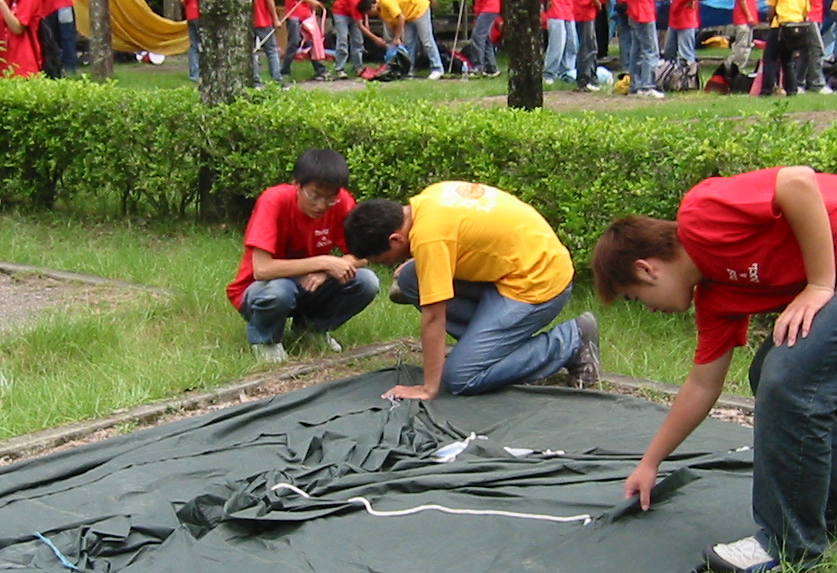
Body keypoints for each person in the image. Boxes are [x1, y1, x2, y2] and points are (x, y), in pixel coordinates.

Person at [591, 167, 837, 573]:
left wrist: (820, 284)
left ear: (647, 269)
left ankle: (789, 544)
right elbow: (702, 385)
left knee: (788, 381)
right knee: (772, 376)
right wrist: (650, 463)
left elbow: (796, 181)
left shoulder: (701, 214)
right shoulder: (717, 298)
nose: (648, 309)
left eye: (635, 297)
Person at [344, 182, 600, 397]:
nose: (388, 265)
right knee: (412, 278)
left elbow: (434, 317)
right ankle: (489, 349)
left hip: (537, 282)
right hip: (516, 265)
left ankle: (571, 340)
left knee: (460, 377)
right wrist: (423, 255)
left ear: (395, 239)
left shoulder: (430, 237)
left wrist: (428, 388)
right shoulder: (426, 201)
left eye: (385, 260)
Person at [226, 148, 378, 364]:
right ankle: (266, 339)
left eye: (330, 198)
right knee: (280, 290)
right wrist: (324, 262)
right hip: (261, 289)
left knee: (366, 281)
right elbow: (262, 270)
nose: (322, 205)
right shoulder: (274, 200)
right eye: (314, 195)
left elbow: (362, 254)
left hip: (309, 285)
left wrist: (325, 272)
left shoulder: (342, 202)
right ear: (297, 184)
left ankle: (311, 329)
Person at [367, 0, 443, 79]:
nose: (370, 16)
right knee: (408, 43)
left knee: (426, 40)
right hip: (407, 15)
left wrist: (397, 38)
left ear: (373, 6)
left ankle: (437, 68)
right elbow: (394, 24)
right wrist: (396, 41)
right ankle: (408, 70)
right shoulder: (381, 13)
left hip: (419, 9)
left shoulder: (385, 1)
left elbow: (401, 17)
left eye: (369, 13)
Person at [660, 0, 710, 84]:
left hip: (686, 18)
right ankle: (670, 77)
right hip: (675, 17)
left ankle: (689, 80)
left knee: (686, 52)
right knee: (669, 51)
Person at [759, 0, 811, 95]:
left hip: (780, 24)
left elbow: (772, 6)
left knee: (770, 58)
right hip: (797, 26)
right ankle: (792, 90)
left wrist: (770, 20)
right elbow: (806, 10)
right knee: (787, 60)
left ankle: (767, 90)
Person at [792, 0, 836, 92]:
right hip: (808, 15)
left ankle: (799, 82)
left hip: (818, 14)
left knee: (807, 50)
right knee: (818, 49)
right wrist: (802, 13)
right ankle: (817, 83)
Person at [279, 0, 326, 82]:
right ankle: (285, 70)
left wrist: (311, 5)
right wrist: (309, 0)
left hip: (306, 13)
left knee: (313, 41)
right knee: (294, 41)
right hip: (294, 13)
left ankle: (320, 69)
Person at [571, 0, 604, 91]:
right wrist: (598, 4)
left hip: (583, 10)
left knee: (589, 45)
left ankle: (589, 76)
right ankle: (585, 78)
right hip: (584, 11)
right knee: (588, 46)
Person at [330, 0, 376, 79]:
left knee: (358, 40)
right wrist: (375, 39)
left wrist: (366, 21)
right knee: (342, 39)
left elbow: (365, 8)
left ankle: (358, 67)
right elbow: (360, 25)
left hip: (354, 12)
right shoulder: (355, 0)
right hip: (340, 12)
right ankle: (340, 69)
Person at [253, 0, 283, 85]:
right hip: (262, 20)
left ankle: (255, 81)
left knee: (251, 52)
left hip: (247, 22)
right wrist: (275, 18)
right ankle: (277, 80)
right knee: (271, 50)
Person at [175, 0, 200, 82]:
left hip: (191, 14)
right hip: (202, 14)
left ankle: (194, 75)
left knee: (194, 45)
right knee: (207, 43)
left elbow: (181, 0)